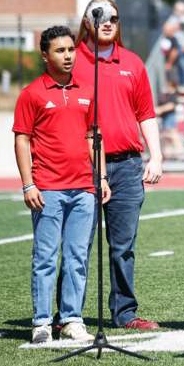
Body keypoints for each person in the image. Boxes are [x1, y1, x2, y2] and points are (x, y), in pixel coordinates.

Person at [13, 26, 111, 344]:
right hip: (48, 189)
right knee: (45, 258)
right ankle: (42, 321)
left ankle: (71, 319)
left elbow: (93, 136)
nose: (68, 56)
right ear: (45, 55)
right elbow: (22, 139)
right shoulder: (32, 94)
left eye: (70, 49)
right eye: (60, 50)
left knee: (77, 257)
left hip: (84, 189)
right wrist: (29, 184)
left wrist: (102, 177)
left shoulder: (87, 91)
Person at [73, 0, 163, 330]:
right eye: (99, 15)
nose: (107, 21)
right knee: (78, 245)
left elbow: (146, 113)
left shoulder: (133, 63)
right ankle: (69, 315)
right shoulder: (73, 61)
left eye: (113, 16)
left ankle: (125, 313)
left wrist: (156, 155)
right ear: (86, 21)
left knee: (123, 247)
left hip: (127, 166)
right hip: (83, 165)